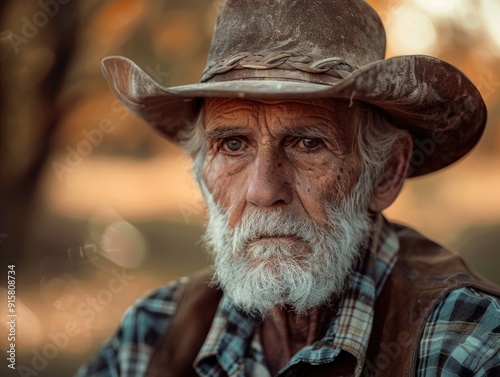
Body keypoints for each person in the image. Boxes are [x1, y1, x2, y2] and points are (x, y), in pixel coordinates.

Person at [76, 0, 500, 376]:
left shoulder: (465, 343)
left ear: (386, 172)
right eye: (233, 144)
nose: (264, 190)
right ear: (202, 169)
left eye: (308, 143)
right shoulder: (152, 334)